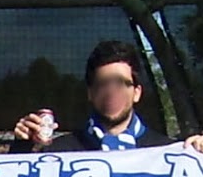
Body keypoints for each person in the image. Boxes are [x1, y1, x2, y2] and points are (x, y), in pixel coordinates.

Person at [11, 41, 173, 152]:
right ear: (90, 93)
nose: (111, 92)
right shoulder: (60, 152)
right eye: (103, 83)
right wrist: (22, 146)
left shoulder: (167, 153)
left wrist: (198, 153)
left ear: (137, 92)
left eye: (121, 83)